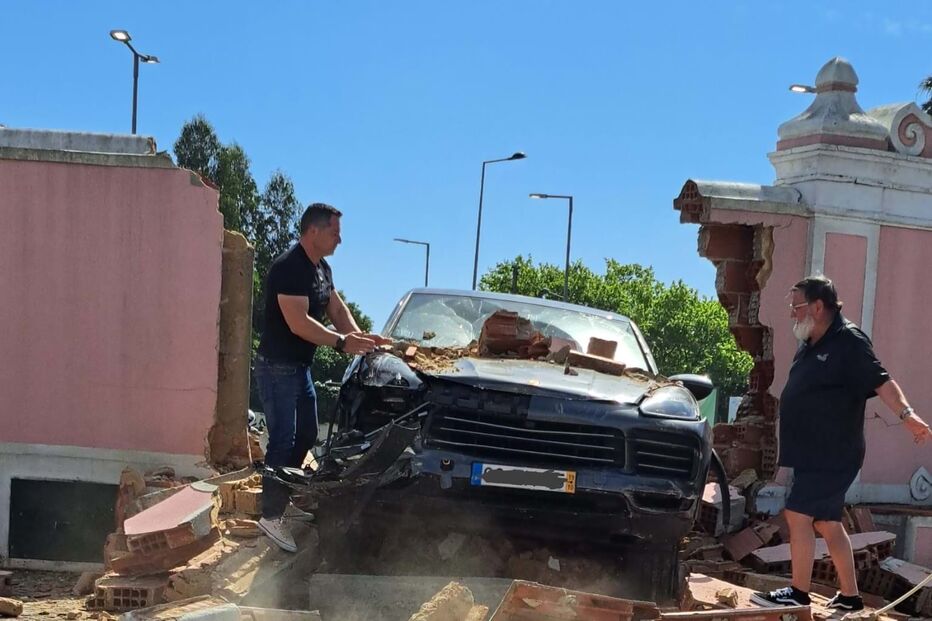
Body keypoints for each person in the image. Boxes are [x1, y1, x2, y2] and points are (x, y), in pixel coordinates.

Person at [752, 276, 931, 611]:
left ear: (818, 307)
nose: (792, 313)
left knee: (798, 513)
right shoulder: (811, 342)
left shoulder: (848, 341)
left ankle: (798, 592)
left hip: (834, 452)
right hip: (812, 451)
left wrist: (908, 416)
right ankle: (850, 597)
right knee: (826, 522)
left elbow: (882, 381)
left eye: (797, 306)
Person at [255, 202, 388, 552]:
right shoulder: (288, 268)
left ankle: (284, 500)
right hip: (276, 367)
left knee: (309, 434)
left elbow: (337, 309)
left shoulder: (322, 269)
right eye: (334, 232)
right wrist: (343, 343)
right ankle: (270, 515)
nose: (339, 240)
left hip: (299, 369)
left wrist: (364, 342)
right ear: (312, 231)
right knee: (282, 439)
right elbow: (299, 324)